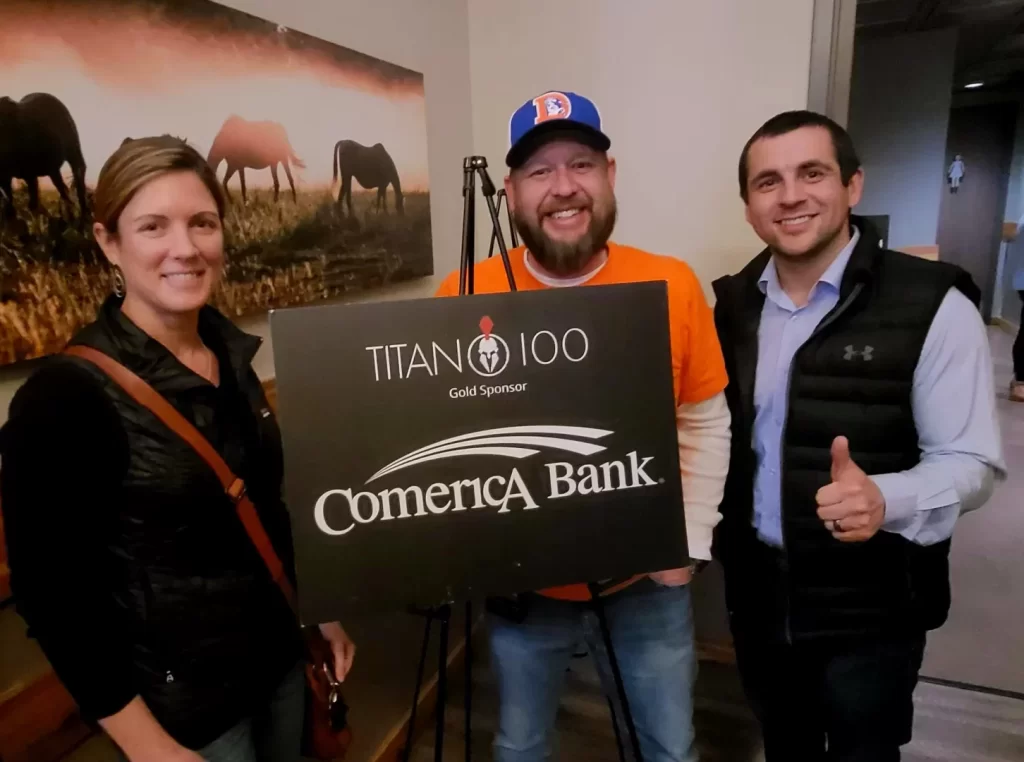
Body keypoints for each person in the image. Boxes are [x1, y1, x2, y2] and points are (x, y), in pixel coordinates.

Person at [0, 136, 355, 762]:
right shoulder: (64, 397)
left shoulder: (229, 354)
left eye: (202, 223)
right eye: (153, 226)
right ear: (109, 242)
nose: (185, 247)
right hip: (187, 710)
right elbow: (54, 598)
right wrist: (147, 746)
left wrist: (317, 608)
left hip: (277, 661)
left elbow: (264, 506)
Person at [436, 90, 732, 762]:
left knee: (668, 748)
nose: (563, 187)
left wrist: (687, 541)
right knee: (520, 746)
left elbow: (703, 421)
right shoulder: (462, 294)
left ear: (610, 174)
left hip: (643, 584)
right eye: (540, 171)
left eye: (581, 164)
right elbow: (448, 445)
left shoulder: (671, 283)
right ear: (511, 191)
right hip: (524, 587)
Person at [712, 110, 1006, 761]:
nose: (791, 195)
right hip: (760, 599)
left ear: (853, 185)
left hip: (872, 609)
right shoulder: (732, 307)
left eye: (812, 173)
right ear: (749, 206)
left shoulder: (933, 305)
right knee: (784, 746)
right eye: (768, 182)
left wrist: (885, 498)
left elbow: (971, 464)